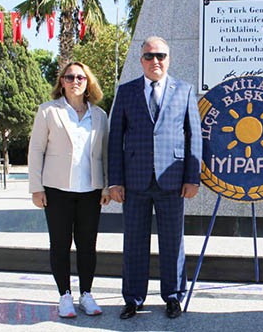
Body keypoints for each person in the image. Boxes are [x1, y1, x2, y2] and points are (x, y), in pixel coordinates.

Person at [108, 36, 202, 320]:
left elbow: (193, 135)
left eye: (160, 55)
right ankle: (133, 298)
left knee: (173, 242)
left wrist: (192, 178)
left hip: (172, 180)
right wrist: (115, 180)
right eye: (149, 56)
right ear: (141, 61)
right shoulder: (126, 92)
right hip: (134, 181)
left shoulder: (184, 91)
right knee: (134, 242)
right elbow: (115, 139)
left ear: (168, 58)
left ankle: (173, 296)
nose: (155, 61)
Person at [28, 61, 111, 318]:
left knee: (88, 245)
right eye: (69, 77)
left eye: (80, 77)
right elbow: (36, 150)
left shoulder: (99, 116)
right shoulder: (48, 111)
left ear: (88, 83)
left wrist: (106, 185)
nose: (75, 81)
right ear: (61, 82)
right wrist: (36, 187)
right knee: (60, 244)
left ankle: (86, 294)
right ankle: (64, 295)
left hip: (90, 191)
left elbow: (106, 154)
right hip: (57, 190)